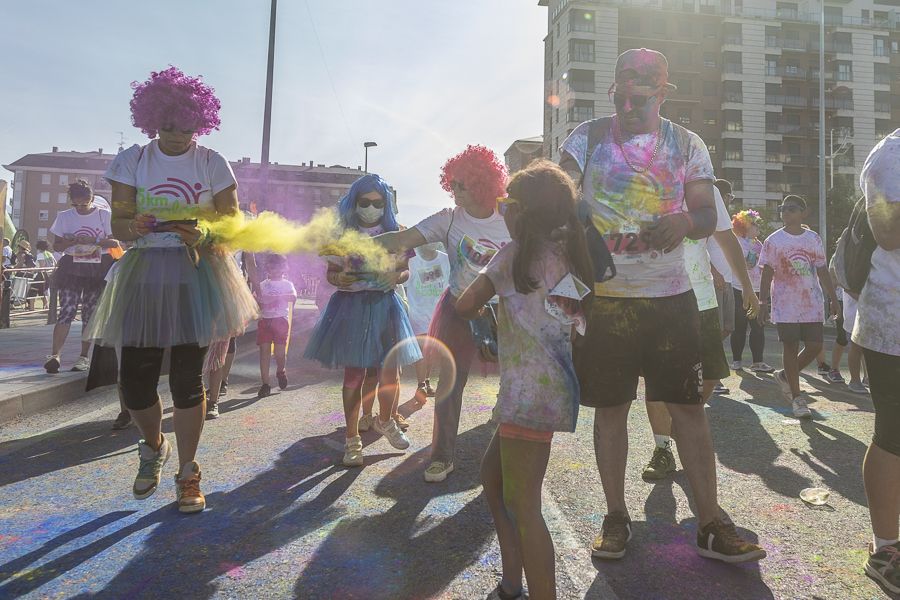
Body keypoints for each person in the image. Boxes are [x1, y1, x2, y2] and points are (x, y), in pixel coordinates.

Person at [558, 48, 765, 563]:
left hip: (672, 299)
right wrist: (571, 214)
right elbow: (558, 192)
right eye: (623, 85)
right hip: (605, 301)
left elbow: (702, 214)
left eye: (642, 88)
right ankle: (615, 515)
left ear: (663, 91)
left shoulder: (687, 143)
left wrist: (682, 224)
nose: (630, 98)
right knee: (610, 413)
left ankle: (711, 523)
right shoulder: (584, 137)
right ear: (612, 88)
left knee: (689, 411)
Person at [86, 67, 258, 513]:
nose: (179, 136)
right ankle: (152, 445)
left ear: (200, 123)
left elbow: (232, 224)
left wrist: (203, 232)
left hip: (197, 275)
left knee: (187, 380)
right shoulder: (133, 160)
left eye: (187, 128)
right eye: (168, 127)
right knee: (135, 385)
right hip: (144, 276)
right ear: (152, 122)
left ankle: (188, 471)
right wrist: (133, 225)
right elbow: (118, 224)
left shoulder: (212, 162)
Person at [456, 160, 593, 600]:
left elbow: (464, 304)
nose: (501, 212)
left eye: (505, 204)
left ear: (522, 212)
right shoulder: (569, 256)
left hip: (526, 397)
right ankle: (512, 584)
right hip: (551, 393)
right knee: (493, 481)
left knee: (525, 506)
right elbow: (571, 324)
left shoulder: (512, 256)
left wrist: (484, 304)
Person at [372, 145, 511, 482]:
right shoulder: (447, 220)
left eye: (460, 185)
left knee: (516, 381)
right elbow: (401, 239)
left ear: (481, 184)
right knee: (449, 384)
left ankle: (512, 450)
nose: (454, 191)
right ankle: (441, 456)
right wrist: (355, 242)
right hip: (458, 310)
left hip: (506, 311)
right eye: (452, 184)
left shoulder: (511, 217)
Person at [642, 185, 760, 480]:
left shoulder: (705, 189)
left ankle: (677, 426)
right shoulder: (648, 180)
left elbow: (726, 239)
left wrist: (746, 285)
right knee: (658, 380)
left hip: (701, 297)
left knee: (711, 374)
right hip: (658, 295)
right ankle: (662, 449)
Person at [304, 174, 421, 467]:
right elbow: (331, 274)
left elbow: (405, 270)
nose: (371, 207)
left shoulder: (397, 233)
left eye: (377, 202)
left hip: (386, 307)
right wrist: (338, 277)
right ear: (354, 203)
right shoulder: (341, 236)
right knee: (354, 375)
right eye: (364, 202)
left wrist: (396, 275)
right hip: (351, 307)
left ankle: (385, 421)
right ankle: (352, 439)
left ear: (386, 204)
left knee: (390, 372)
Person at [853, 128, 900, 594]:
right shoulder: (891, 154)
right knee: (894, 431)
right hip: (893, 322)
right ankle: (886, 548)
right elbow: (887, 232)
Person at [758, 195, 839, 419]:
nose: (785, 212)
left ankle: (786, 375)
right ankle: (797, 397)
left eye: (792, 209)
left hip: (811, 301)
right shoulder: (774, 240)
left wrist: (833, 298)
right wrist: (763, 301)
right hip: (785, 304)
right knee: (790, 348)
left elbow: (822, 270)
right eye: (783, 209)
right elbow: (767, 273)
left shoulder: (813, 238)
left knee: (815, 346)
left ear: (804, 212)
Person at [45, 180, 119, 373]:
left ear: (92, 199)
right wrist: (67, 242)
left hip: (97, 268)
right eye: (75, 204)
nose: (79, 208)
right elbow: (56, 246)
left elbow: (113, 242)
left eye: (84, 204)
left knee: (89, 312)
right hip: (71, 267)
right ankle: (55, 355)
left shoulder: (104, 214)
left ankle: (83, 357)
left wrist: (93, 240)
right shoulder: (64, 217)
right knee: (67, 310)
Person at [403, 242, 449, 404]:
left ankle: (426, 381)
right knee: (422, 349)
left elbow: (450, 284)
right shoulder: (412, 260)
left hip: (437, 312)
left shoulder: (445, 260)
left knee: (430, 351)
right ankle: (421, 384)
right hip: (418, 312)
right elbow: (404, 284)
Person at [730, 209, 774, 373]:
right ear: (744, 226)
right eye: (753, 224)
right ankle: (736, 361)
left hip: (756, 290)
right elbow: (742, 264)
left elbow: (763, 265)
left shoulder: (759, 244)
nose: (757, 227)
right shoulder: (736, 242)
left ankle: (757, 361)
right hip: (738, 288)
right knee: (739, 327)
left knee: (758, 327)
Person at [256, 254, 296, 398]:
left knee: (279, 354)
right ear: (267, 267)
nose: (275, 269)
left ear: (284, 268)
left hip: (280, 320)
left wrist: (275, 298)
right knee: (264, 352)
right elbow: (257, 300)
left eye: (278, 266)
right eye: (272, 266)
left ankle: (281, 370)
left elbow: (292, 297)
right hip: (265, 321)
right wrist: (261, 301)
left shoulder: (287, 284)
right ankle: (265, 384)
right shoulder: (262, 285)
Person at [34, 239, 56, 308]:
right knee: (44, 290)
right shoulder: (49, 254)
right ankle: (46, 306)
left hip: (42, 274)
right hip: (50, 274)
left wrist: (35, 270)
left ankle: (32, 308)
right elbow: (55, 263)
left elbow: (42, 266)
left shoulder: (40, 254)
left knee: (33, 289)